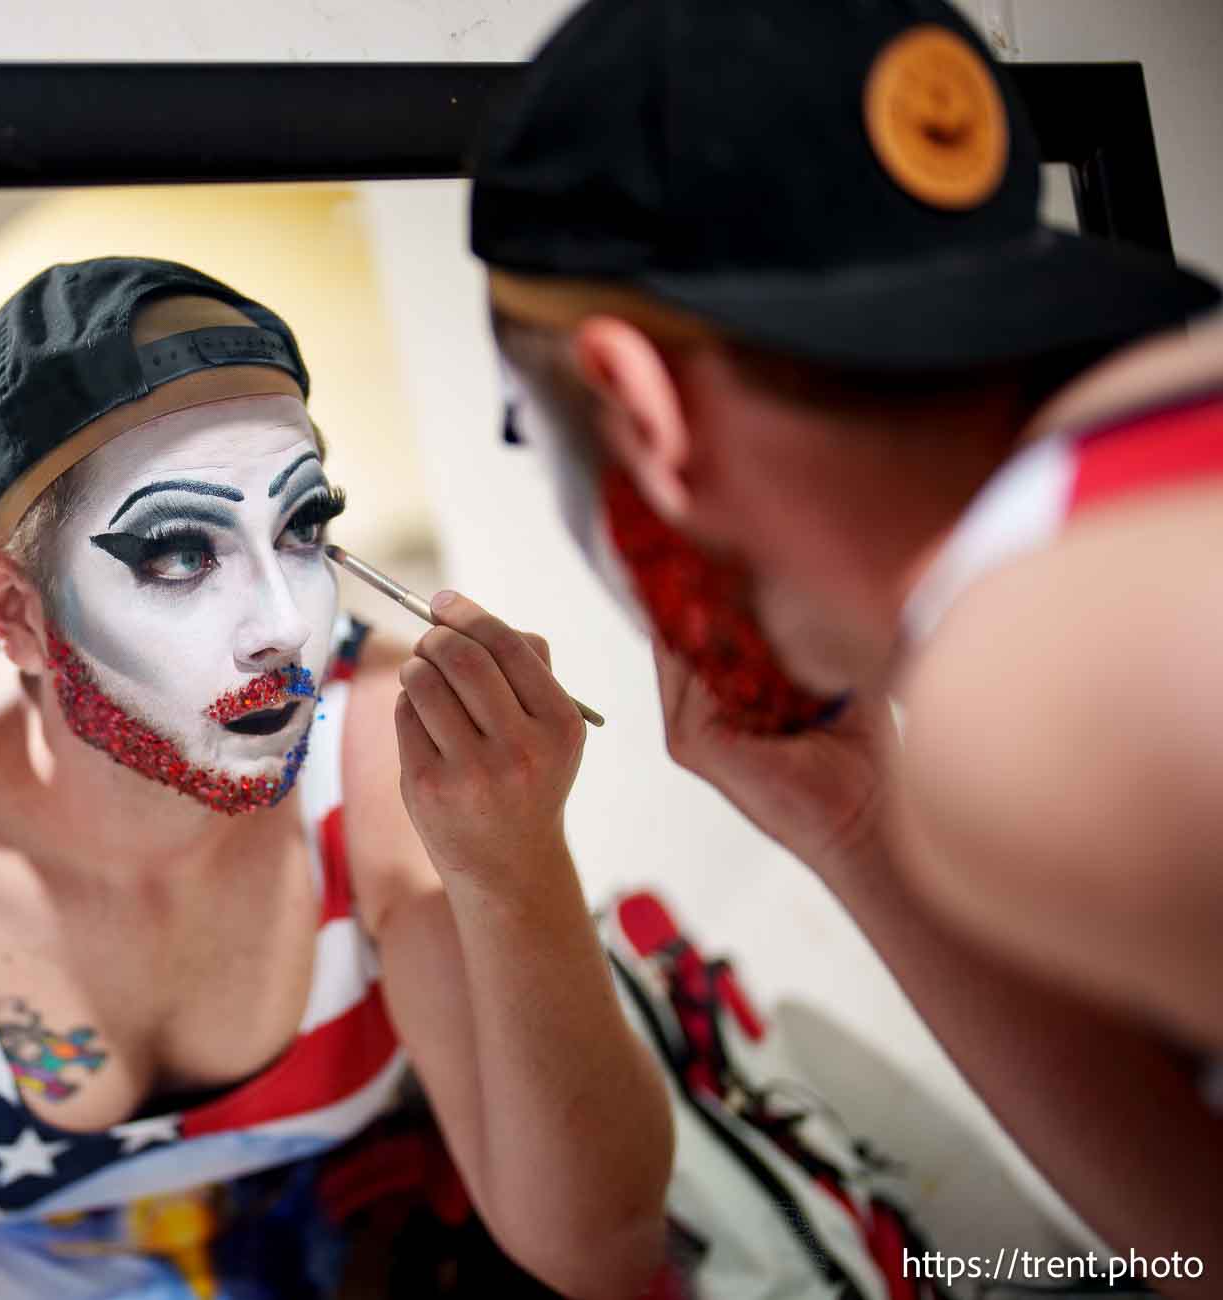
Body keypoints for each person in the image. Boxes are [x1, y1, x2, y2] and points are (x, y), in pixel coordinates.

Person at [0, 257, 673, 1299]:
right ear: (17, 615)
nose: (282, 627)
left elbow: (597, 1250)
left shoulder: (386, 758)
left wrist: (520, 864)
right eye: (180, 552)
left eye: (302, 525)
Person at [470, 0, 1223, 1284]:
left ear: (636, 410)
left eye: (530, 436)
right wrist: (856, 827)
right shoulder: (1144, 468)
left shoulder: (1037, 679)